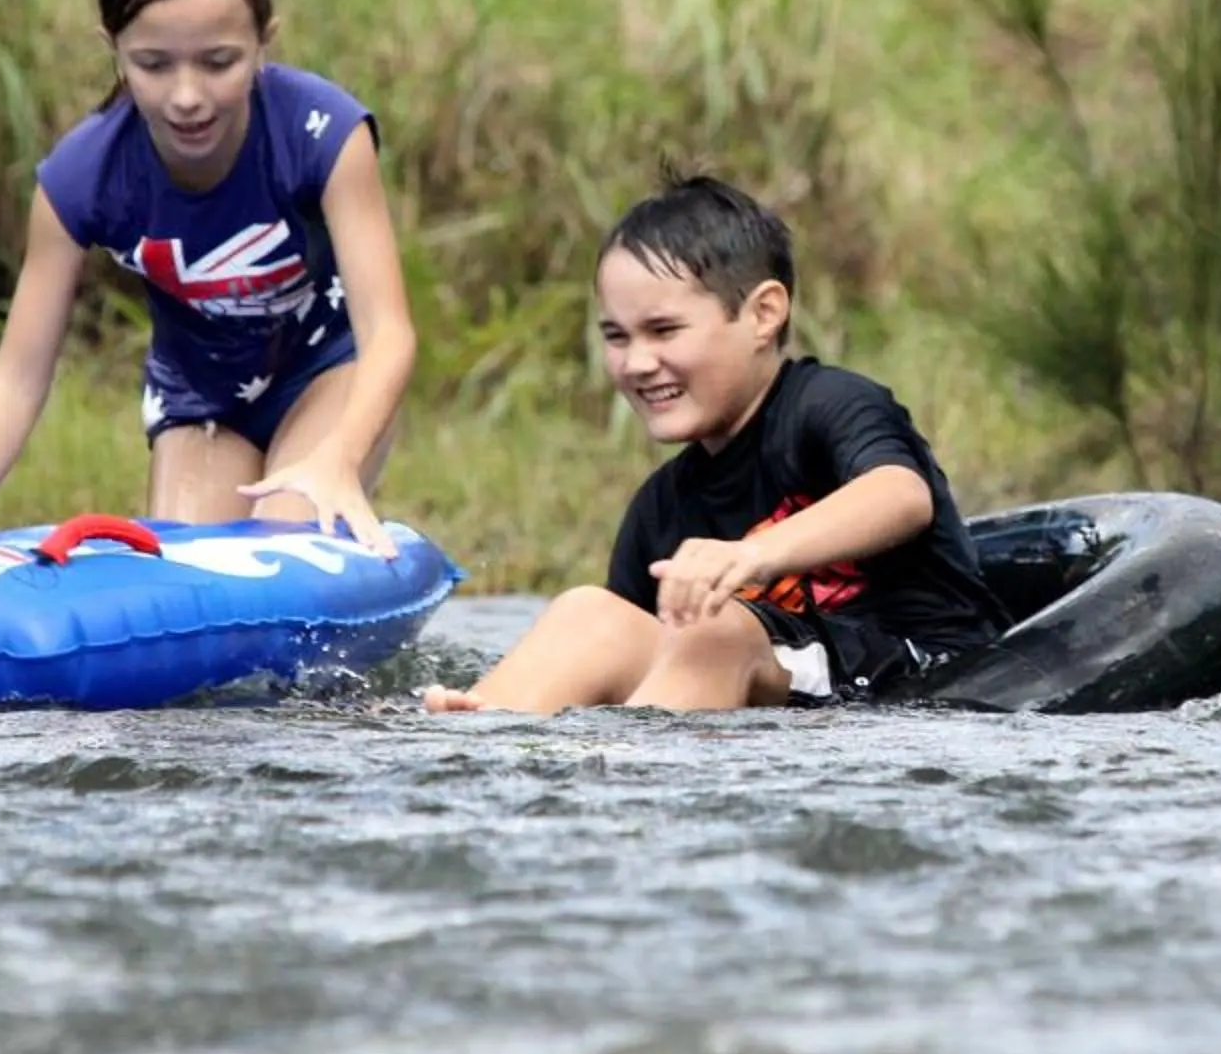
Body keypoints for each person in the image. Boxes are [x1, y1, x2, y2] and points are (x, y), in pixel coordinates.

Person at [0, 0, 415, 553]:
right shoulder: (84, 177)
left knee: (283, 542)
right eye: (154, 65)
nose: (187, 96)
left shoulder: (321, 135)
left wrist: (341, 457)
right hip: (201, 405)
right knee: (191, 571)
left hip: (331, 374)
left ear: (266, 37)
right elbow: (17, 375)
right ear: (115, 50)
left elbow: (390, 331)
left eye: (218, 62)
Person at [425, 175, 1006, 712]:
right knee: (588, 612)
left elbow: (899, 495)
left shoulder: (828, 404)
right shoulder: (661, 508)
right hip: (766, 696)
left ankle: (632, 788)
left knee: (711, 629)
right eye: (616, 337)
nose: (638, 363)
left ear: (763, 314)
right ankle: (482, 736)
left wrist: (751, 555)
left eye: (663, 330)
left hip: (922, 673)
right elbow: (635, 651)